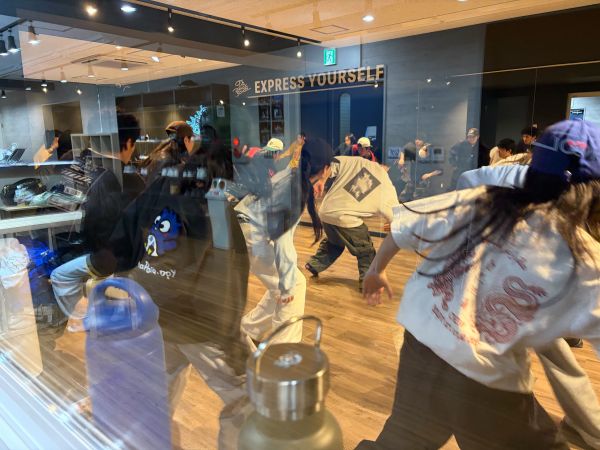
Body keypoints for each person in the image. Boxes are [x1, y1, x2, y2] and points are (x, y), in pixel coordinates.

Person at [357, 120, 600, 449]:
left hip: (422, 344)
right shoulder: (584, 260)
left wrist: (376, 270)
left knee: (403, 439)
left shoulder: (486, 199)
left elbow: (406, 227)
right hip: (483, 381)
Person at [102, 120, 249, 450]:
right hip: (196, 322)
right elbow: (224, 277)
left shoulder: (161, 184)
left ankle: (145, 442)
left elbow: (124, 232)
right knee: (245, 395)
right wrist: (229, 335)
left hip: (152, 312)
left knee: (160, 385)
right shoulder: (214, 205)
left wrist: (126, 280)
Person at [236, 138, 332, 346]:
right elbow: (283, 238)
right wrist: (287, 284)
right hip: (249, 234)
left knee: (284, 283)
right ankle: (281, 350)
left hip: (244, 229)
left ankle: (249, 329)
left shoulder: (293, 177)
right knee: (294, 284)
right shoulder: (294, 188)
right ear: (326, 169)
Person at [51, 114, 145, 322]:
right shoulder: (130, 179)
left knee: (59, 275)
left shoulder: (96, 175)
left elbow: (98, 229)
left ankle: (81, 321)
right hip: (127, 254)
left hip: (110, 258)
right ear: (129, 142)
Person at [305, 151, 399, 292]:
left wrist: (321, 181)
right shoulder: (387, 185)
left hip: (325, 213)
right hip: (346, 219)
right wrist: (394, 224)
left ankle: (314, 264)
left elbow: (331, 165)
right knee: (365, 250)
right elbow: (396, 215)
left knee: (335, 243)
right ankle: (367, 282)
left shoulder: (357, 162)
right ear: (388, 167)